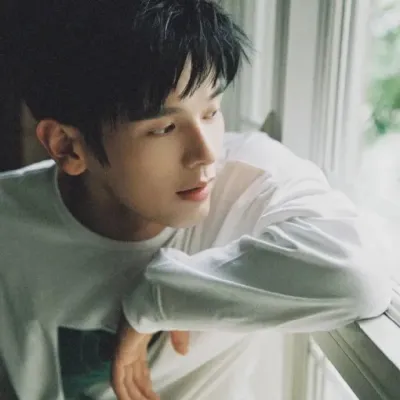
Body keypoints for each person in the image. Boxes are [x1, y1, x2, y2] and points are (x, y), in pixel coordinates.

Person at [0, 0, 393, 399]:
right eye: (164, 128)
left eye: (211, 111)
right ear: (67, 146)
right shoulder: (10, 222)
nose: (206, 154)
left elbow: (358, 278)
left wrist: (159, 296)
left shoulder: (249, 182)